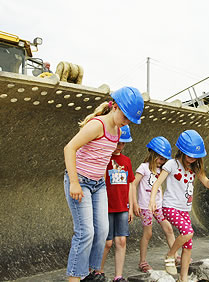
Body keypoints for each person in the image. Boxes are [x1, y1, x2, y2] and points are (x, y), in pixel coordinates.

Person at [64, 87, 144, 282]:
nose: (126, 123)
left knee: (102, 231)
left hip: (98, 185)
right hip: (80, 182)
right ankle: (75, 278)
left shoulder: (117, 132)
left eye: (130, 121)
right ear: (115, 107)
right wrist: (74, 182)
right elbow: (69, 148)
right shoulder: (97, 125)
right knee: (86, 232)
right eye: (125, 117)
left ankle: (90, 274)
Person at [149, 130, 209, 282]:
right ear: (182, 151)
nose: (192, 159)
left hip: (184, 210)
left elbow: (208, 184)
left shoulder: (195, 168)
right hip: (170, 207)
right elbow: (157, 184)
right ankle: (170, 255)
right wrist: (152, 201)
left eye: (195, 157)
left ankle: (183, 279)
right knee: (188, 232)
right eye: (189, 155)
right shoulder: (171, 164)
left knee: (188, 246)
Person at [131, 136, 177, 273]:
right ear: (153, 154)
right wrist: (134, 203)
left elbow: (159, 187)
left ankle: (175, 255)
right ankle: (142, 261)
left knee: (168, 229)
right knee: (148, 233)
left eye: (164, 159)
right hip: (145, 207)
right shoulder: (143, 168)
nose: (162, 162)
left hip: (158, 206)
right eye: (160, 158)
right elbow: (133, 184)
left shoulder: (160, 170)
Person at [98, 125, 135, 282]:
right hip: (106, 207)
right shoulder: (103, 159)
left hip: (122, 207)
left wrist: (131, 207)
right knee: (107, 242)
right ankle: (97, 271)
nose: (119, 146)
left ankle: (118, 276)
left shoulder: (126, 161)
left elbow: (131, 184)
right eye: (117, 142)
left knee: (121, 240)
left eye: (123, 143)